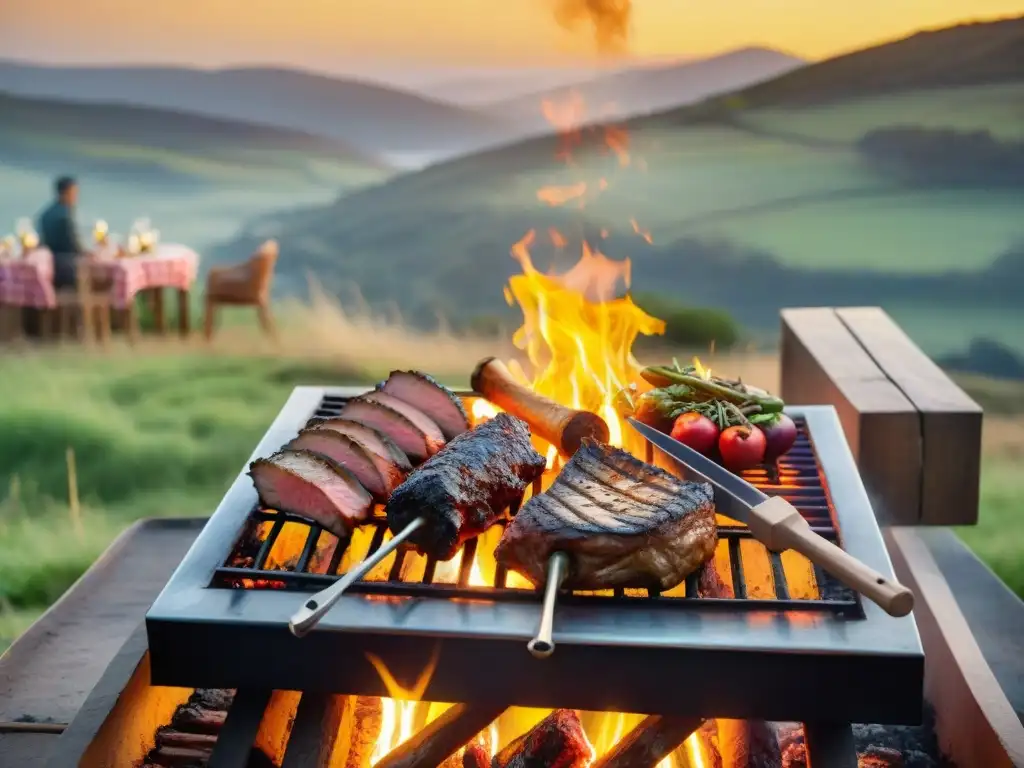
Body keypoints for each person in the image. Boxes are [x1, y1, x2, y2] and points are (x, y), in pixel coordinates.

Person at [38, 176, 85, 289]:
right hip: (64, 265)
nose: (75, 197)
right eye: (74, 193)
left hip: (47, 262)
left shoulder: (46, 213)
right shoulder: (64, 215)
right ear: (65, 193)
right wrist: (86, 254)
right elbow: (72, 244)